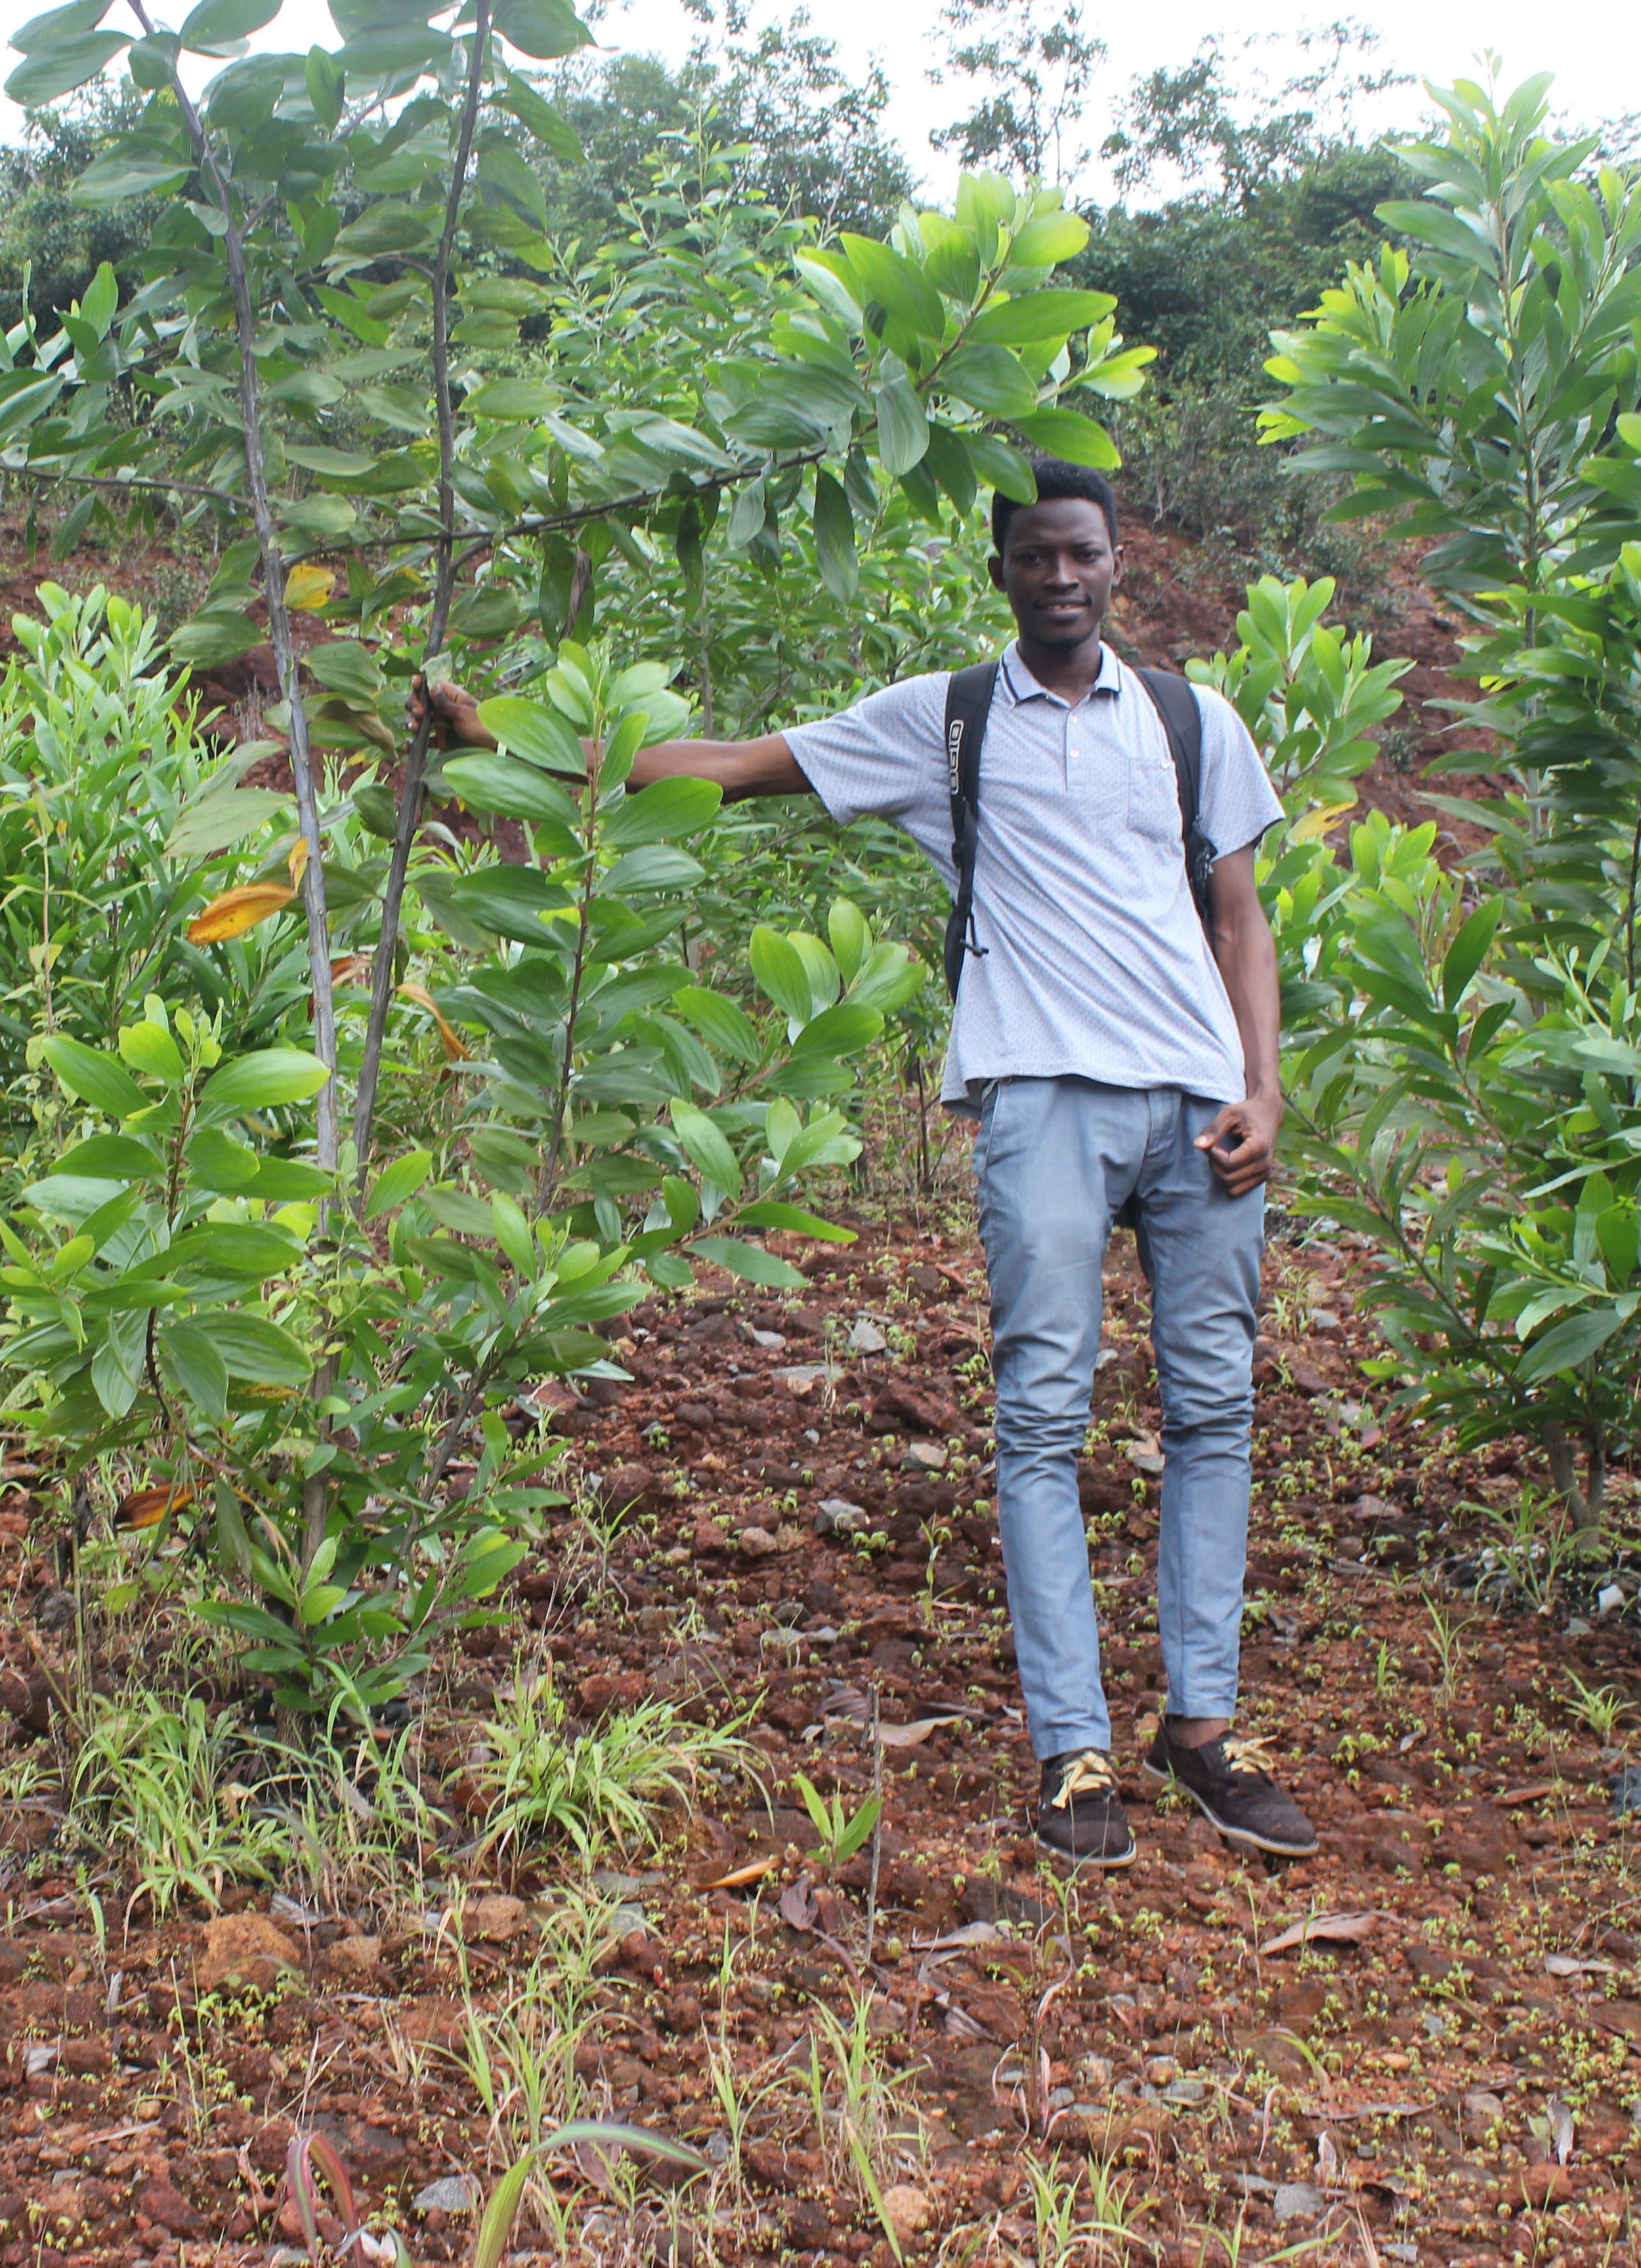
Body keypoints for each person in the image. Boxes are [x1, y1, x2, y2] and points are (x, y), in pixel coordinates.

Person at [417, 459, 1317, 1869]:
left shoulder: (1195, 722)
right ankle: (1073, 1751)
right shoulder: (946, 723)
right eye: (1035, 557)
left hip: (1204, 1115)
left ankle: (1204, 1732)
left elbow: (1240, 916)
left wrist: (1267, 1086)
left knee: (1215, 1412)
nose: (1062, 577)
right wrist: (513, 735)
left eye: (1082, 553)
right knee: (1043, 1418)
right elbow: (729, 769)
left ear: (1119, 562)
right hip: (1042, 1102)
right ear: (1005, 570)